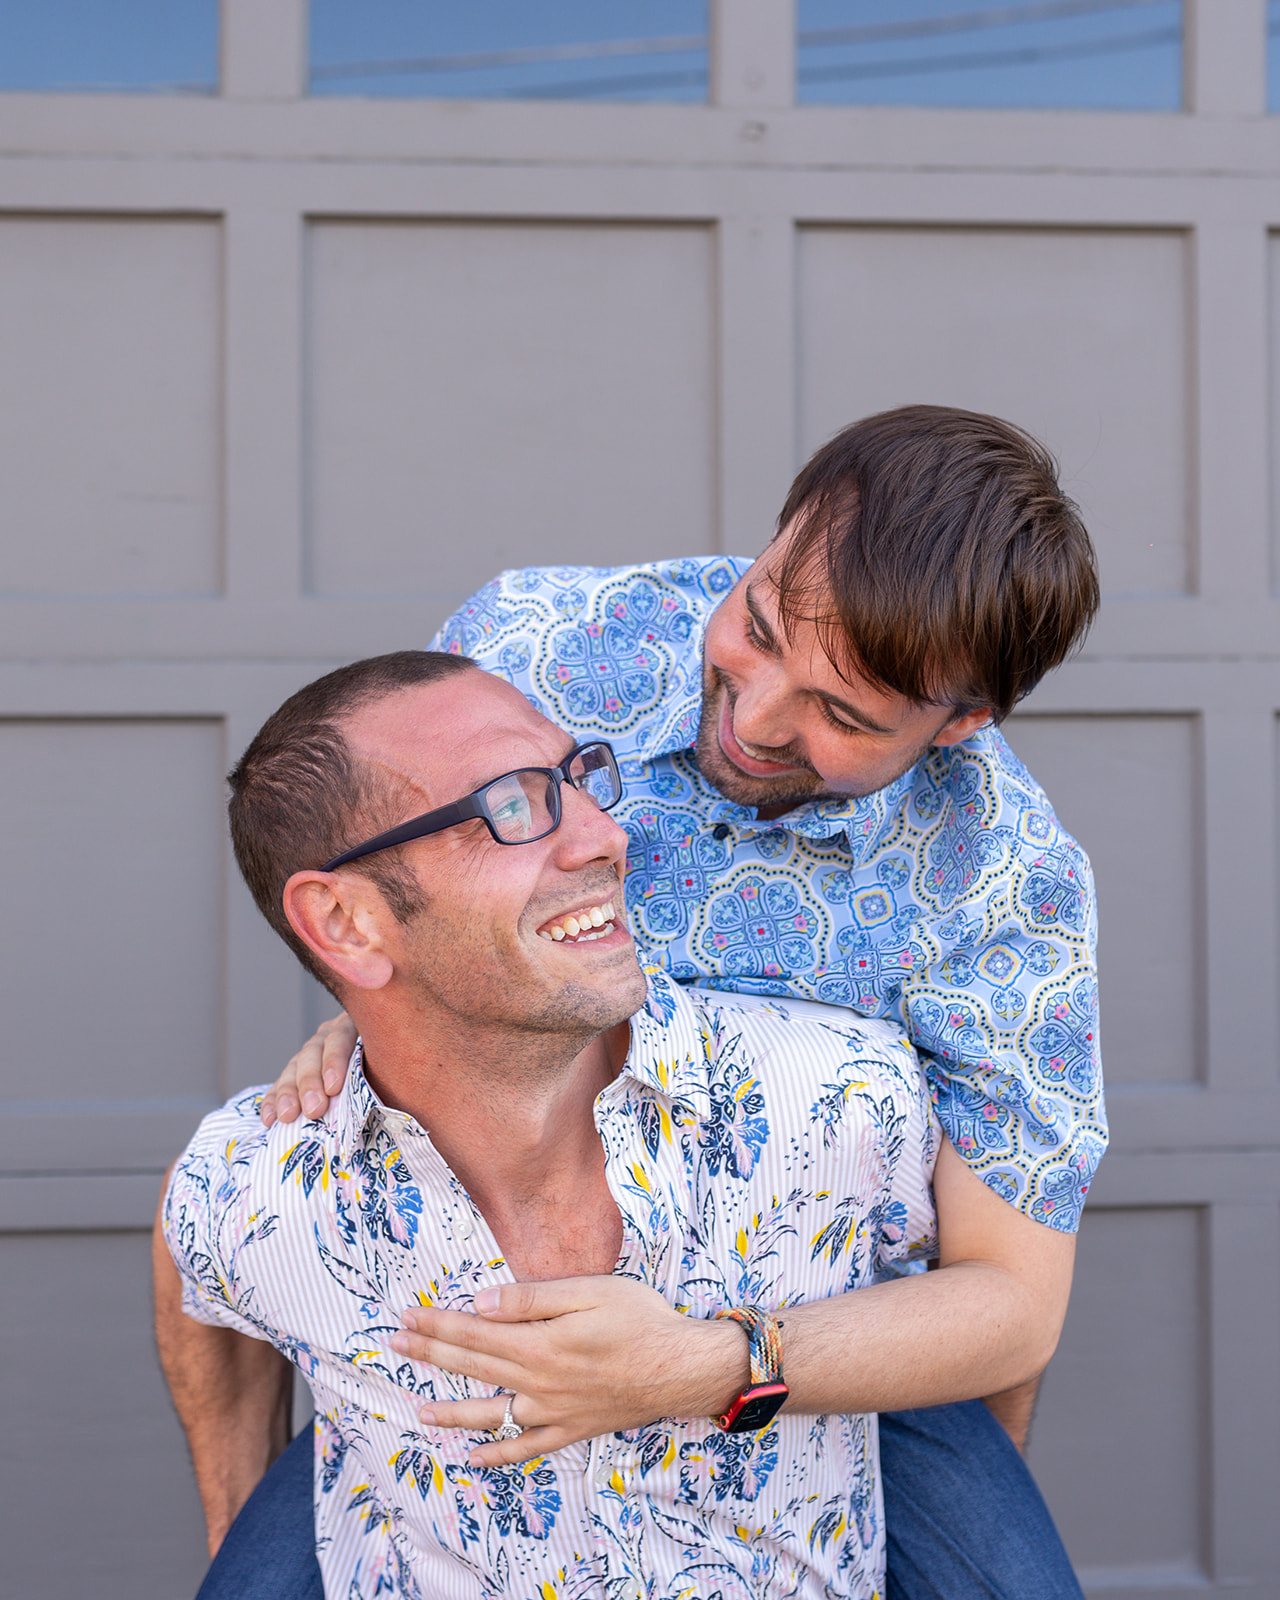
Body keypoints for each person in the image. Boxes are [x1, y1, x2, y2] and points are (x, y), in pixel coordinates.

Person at [247, 404, 1104, 1595]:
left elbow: (1008, 1302)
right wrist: (378, 1014)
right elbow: (398, 889)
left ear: (959, 723)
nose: (753, 719)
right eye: (756, 625)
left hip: (818, 1341)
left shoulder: (1009, 888)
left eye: (841, 714)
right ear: (773, 540)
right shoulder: (534, 644)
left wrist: (705, 1365)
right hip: (490, 1316)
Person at [155, 650, 1069, 1599]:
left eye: (579, 778)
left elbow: (999, 1307)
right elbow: (190, 1251)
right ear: (346, 923)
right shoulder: (254, 1188)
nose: (607, 835)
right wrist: (235, 1521)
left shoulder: (843, 1096)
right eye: (511, 806)